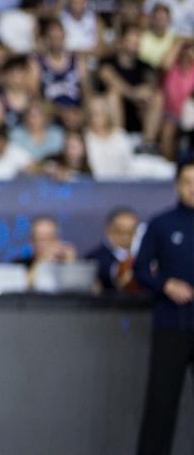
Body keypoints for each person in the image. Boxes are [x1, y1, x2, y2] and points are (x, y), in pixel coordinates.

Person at [134, 162, 194, 455]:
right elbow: (140, 269)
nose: (193, 188)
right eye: (188, 182)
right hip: (171, 324)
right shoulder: (162, 224)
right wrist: (166, 284)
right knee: (161, 403)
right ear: (177, 186)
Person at [37, 18, 91, 132]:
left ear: (64, 36)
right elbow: (35, 95)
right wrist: (61, 112)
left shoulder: (77, 60)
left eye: (58, 37)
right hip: (51, 112)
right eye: (52, 37)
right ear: (46, 38)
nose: (56, 41)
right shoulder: (37, 62)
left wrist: (83, 111)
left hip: (76, 110)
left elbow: (87, 90)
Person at [83, 207, 138, 295]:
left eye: (130, 232)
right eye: (120, 231)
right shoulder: (93, 259)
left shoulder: (140, 257)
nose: (126, 237)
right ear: (108, 229)